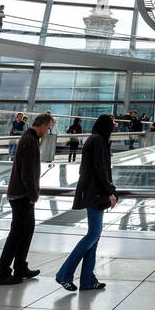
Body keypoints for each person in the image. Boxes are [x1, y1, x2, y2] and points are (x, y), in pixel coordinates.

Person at [55, 114, 117, 292]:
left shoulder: (97, 139)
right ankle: (64, 274)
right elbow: (101, 169)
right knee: (92, 235)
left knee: (94, 238)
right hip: (95, 193)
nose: (115, 127)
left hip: (94, 193)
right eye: (113, 124)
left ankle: (88, 280)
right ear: (106, 125)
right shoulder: (97, 141)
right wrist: (110, 191)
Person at [0, 111, 54, 285]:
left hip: (23, 194)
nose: (48, 132)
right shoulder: (29, 141)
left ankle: (20, 267)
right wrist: (32, 195)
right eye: (49, 128)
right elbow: (27, 172)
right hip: (22, 195)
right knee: (16, 234)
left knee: (26, 230)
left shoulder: (31, 139)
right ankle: (2, 273)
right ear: (42, 125)